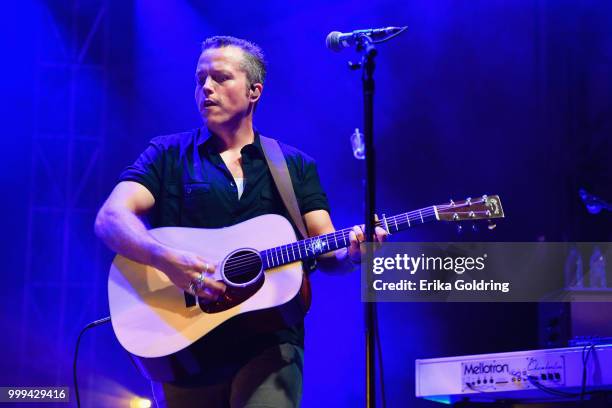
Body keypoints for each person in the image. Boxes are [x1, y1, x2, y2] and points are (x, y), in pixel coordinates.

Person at [95, 35, 387, 407]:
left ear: (254, 91)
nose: (206, 88)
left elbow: (328, 251)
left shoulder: (293, 166)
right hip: (184, 346)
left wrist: (356, 253)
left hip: (269, 345)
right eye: (200, 79)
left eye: (220, 78)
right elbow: (110, 218)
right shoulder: (166, 154)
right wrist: (166, 260)